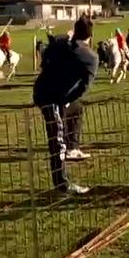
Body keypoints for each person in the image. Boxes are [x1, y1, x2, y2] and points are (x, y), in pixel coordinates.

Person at [33, 17, 98, 194]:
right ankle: (62, 185)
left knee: (76, 109)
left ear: (74, 31)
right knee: (56, 140)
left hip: (42, 90)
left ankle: (73, 147)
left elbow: (44, 60)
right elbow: (85, 86)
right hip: (51, 98)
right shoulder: (90, 57)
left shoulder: (60, 43)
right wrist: (68, 98)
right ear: (90, 36)